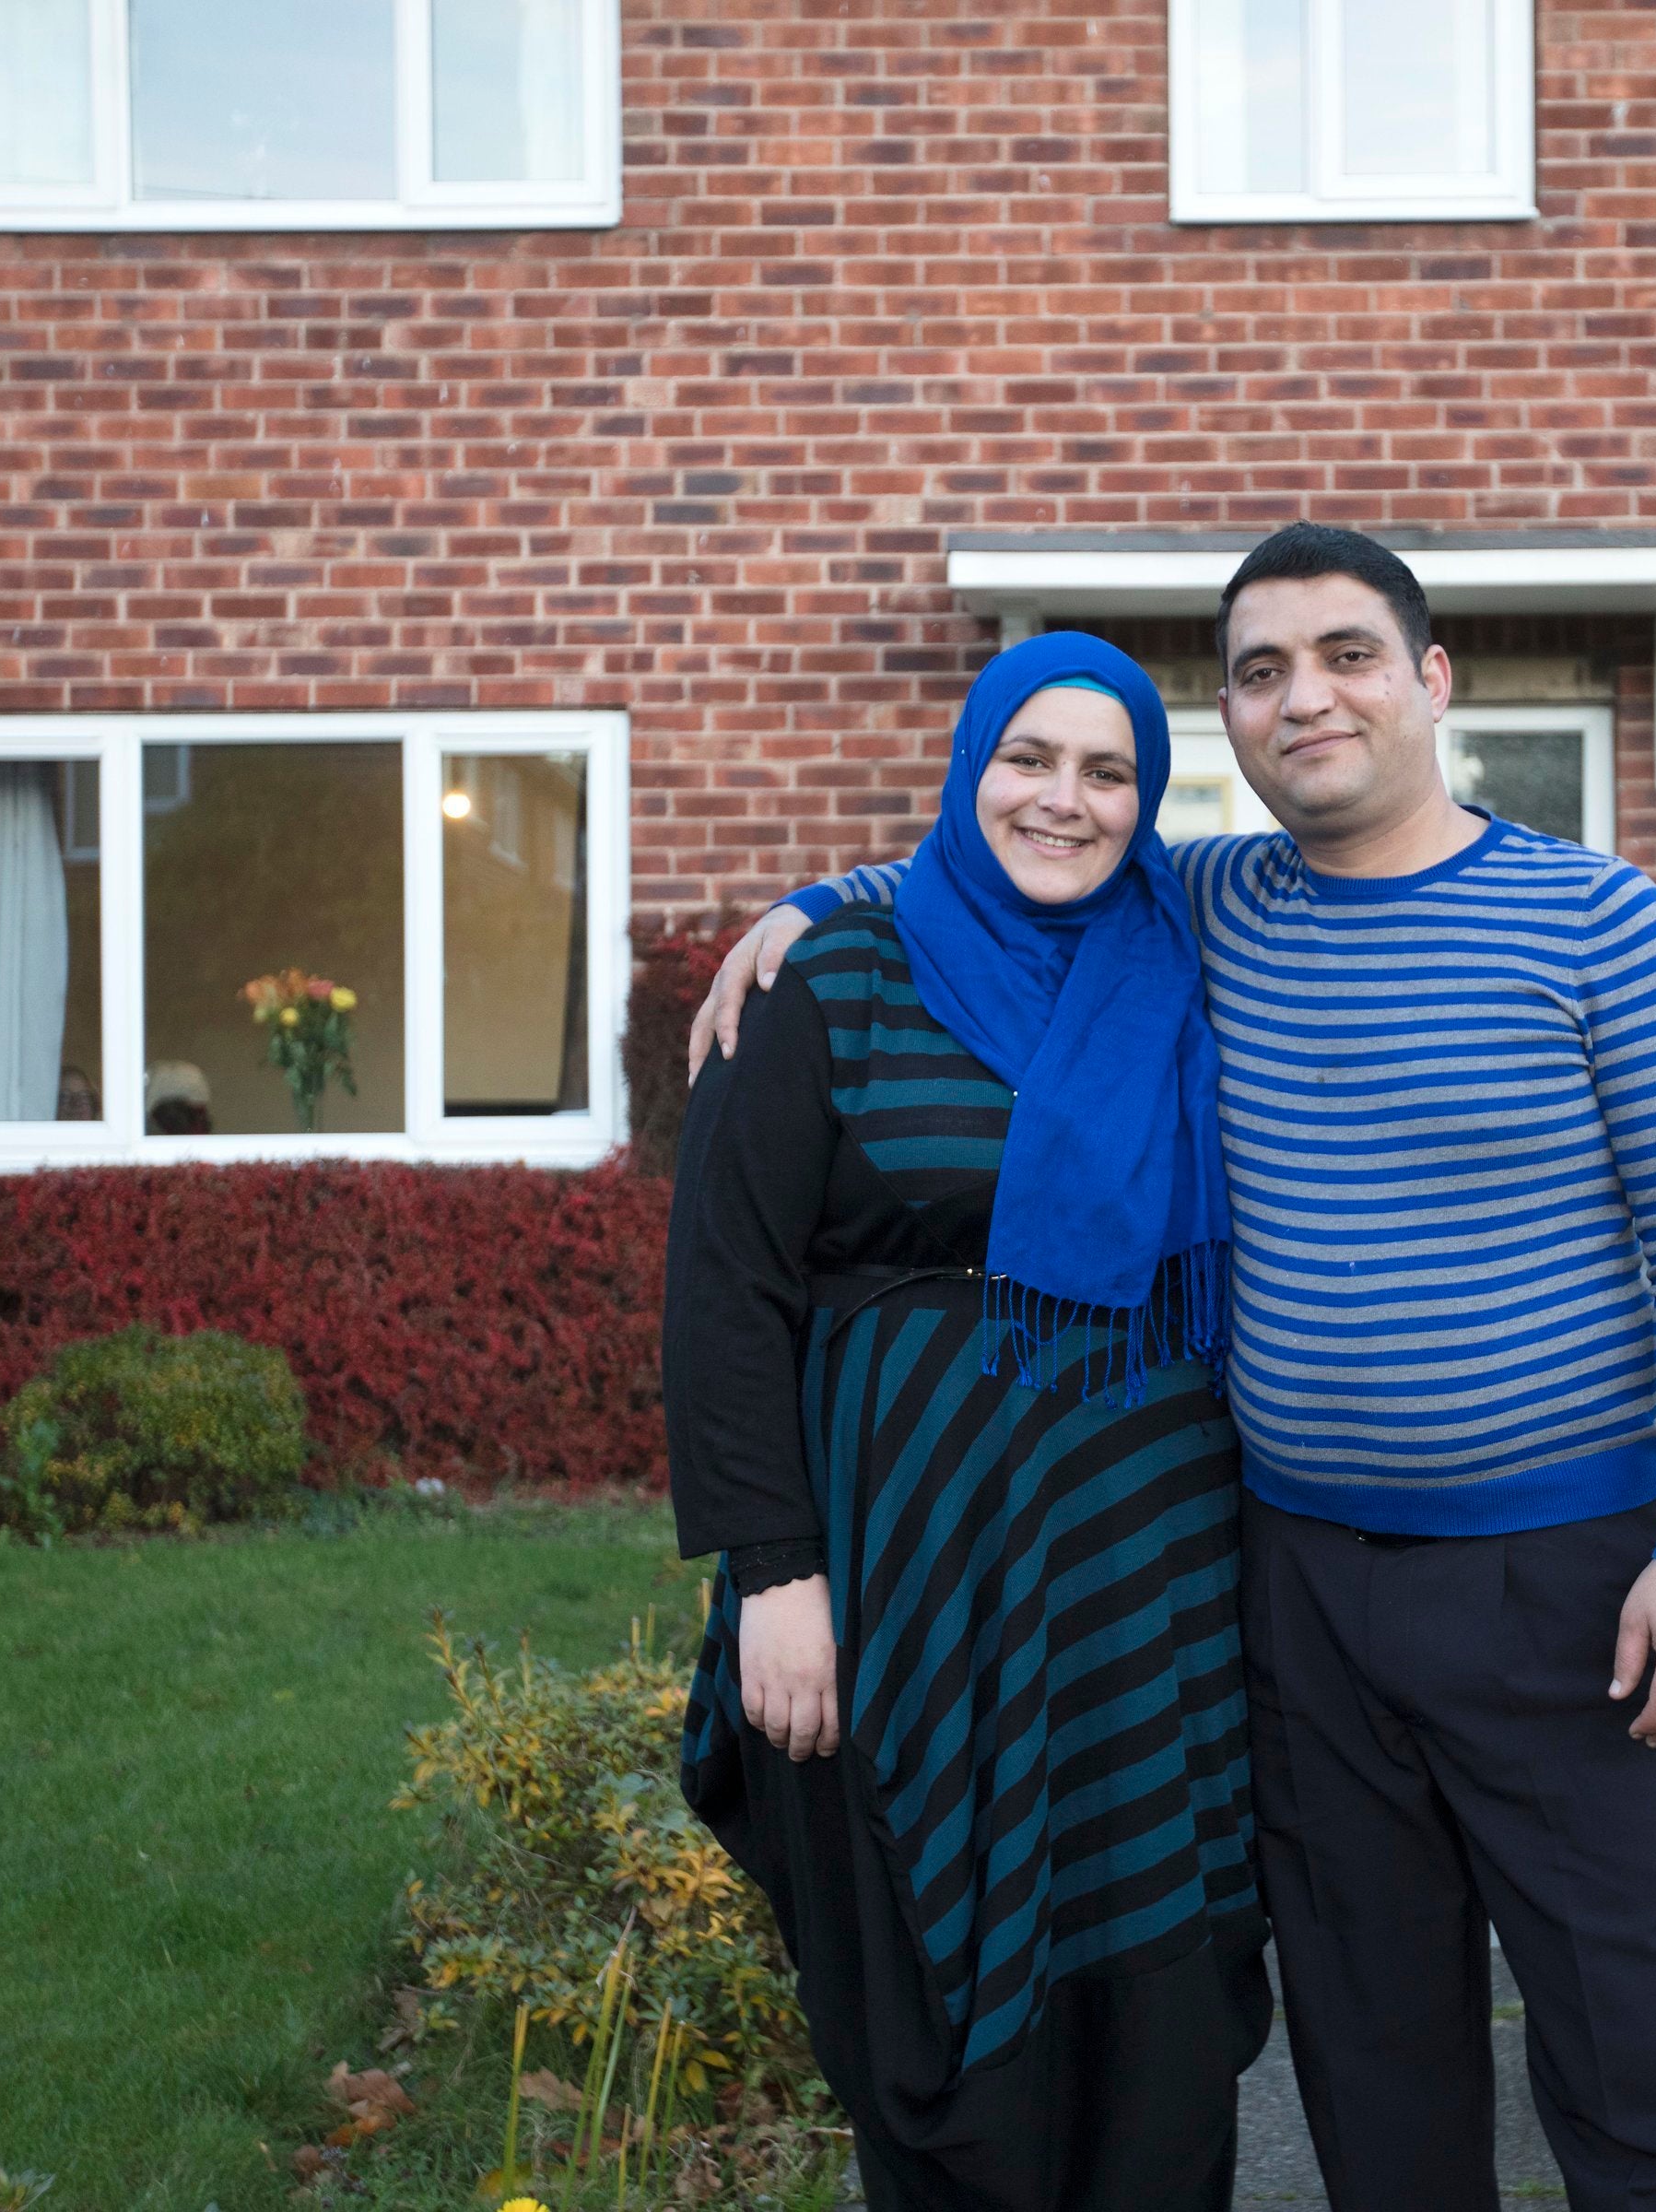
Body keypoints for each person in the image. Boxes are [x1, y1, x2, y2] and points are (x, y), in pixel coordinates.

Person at [696, 522, 1656, 2212]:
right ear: (1234, 722)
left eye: (1348, 654)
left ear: (1431, 679)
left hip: (1559, 1587)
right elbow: (1009, 864)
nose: (1306, 698)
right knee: (1375, 2066)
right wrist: (812, 904)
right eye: (1261, 671)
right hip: (1298, 1590)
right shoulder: (1203, 909)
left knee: (1636, 2062)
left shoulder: (1597, 923)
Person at [662, 632, 1271, 2212]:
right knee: (939, 2022)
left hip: (1153, 1597)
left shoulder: (1187, 958)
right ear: (967, 764)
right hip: (897, 1591)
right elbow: (725, 1293)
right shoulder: (832, 981)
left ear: (1149, 800)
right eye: (1026, 759)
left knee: (1158, 1998)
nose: (1062, 802)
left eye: (1108, 772)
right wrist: (772, 1575)